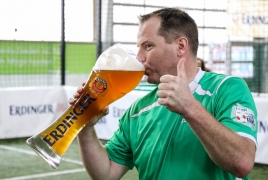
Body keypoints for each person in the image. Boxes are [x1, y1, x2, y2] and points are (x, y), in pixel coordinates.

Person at [69, 7, 257, 180]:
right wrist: (85, 128)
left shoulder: (226, 89)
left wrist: (190, 108)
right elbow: (106, 174)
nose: (139, 58)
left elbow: (242, 162)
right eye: (139, 47)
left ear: (181, 46)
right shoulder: (138, 109)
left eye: (148, 46)